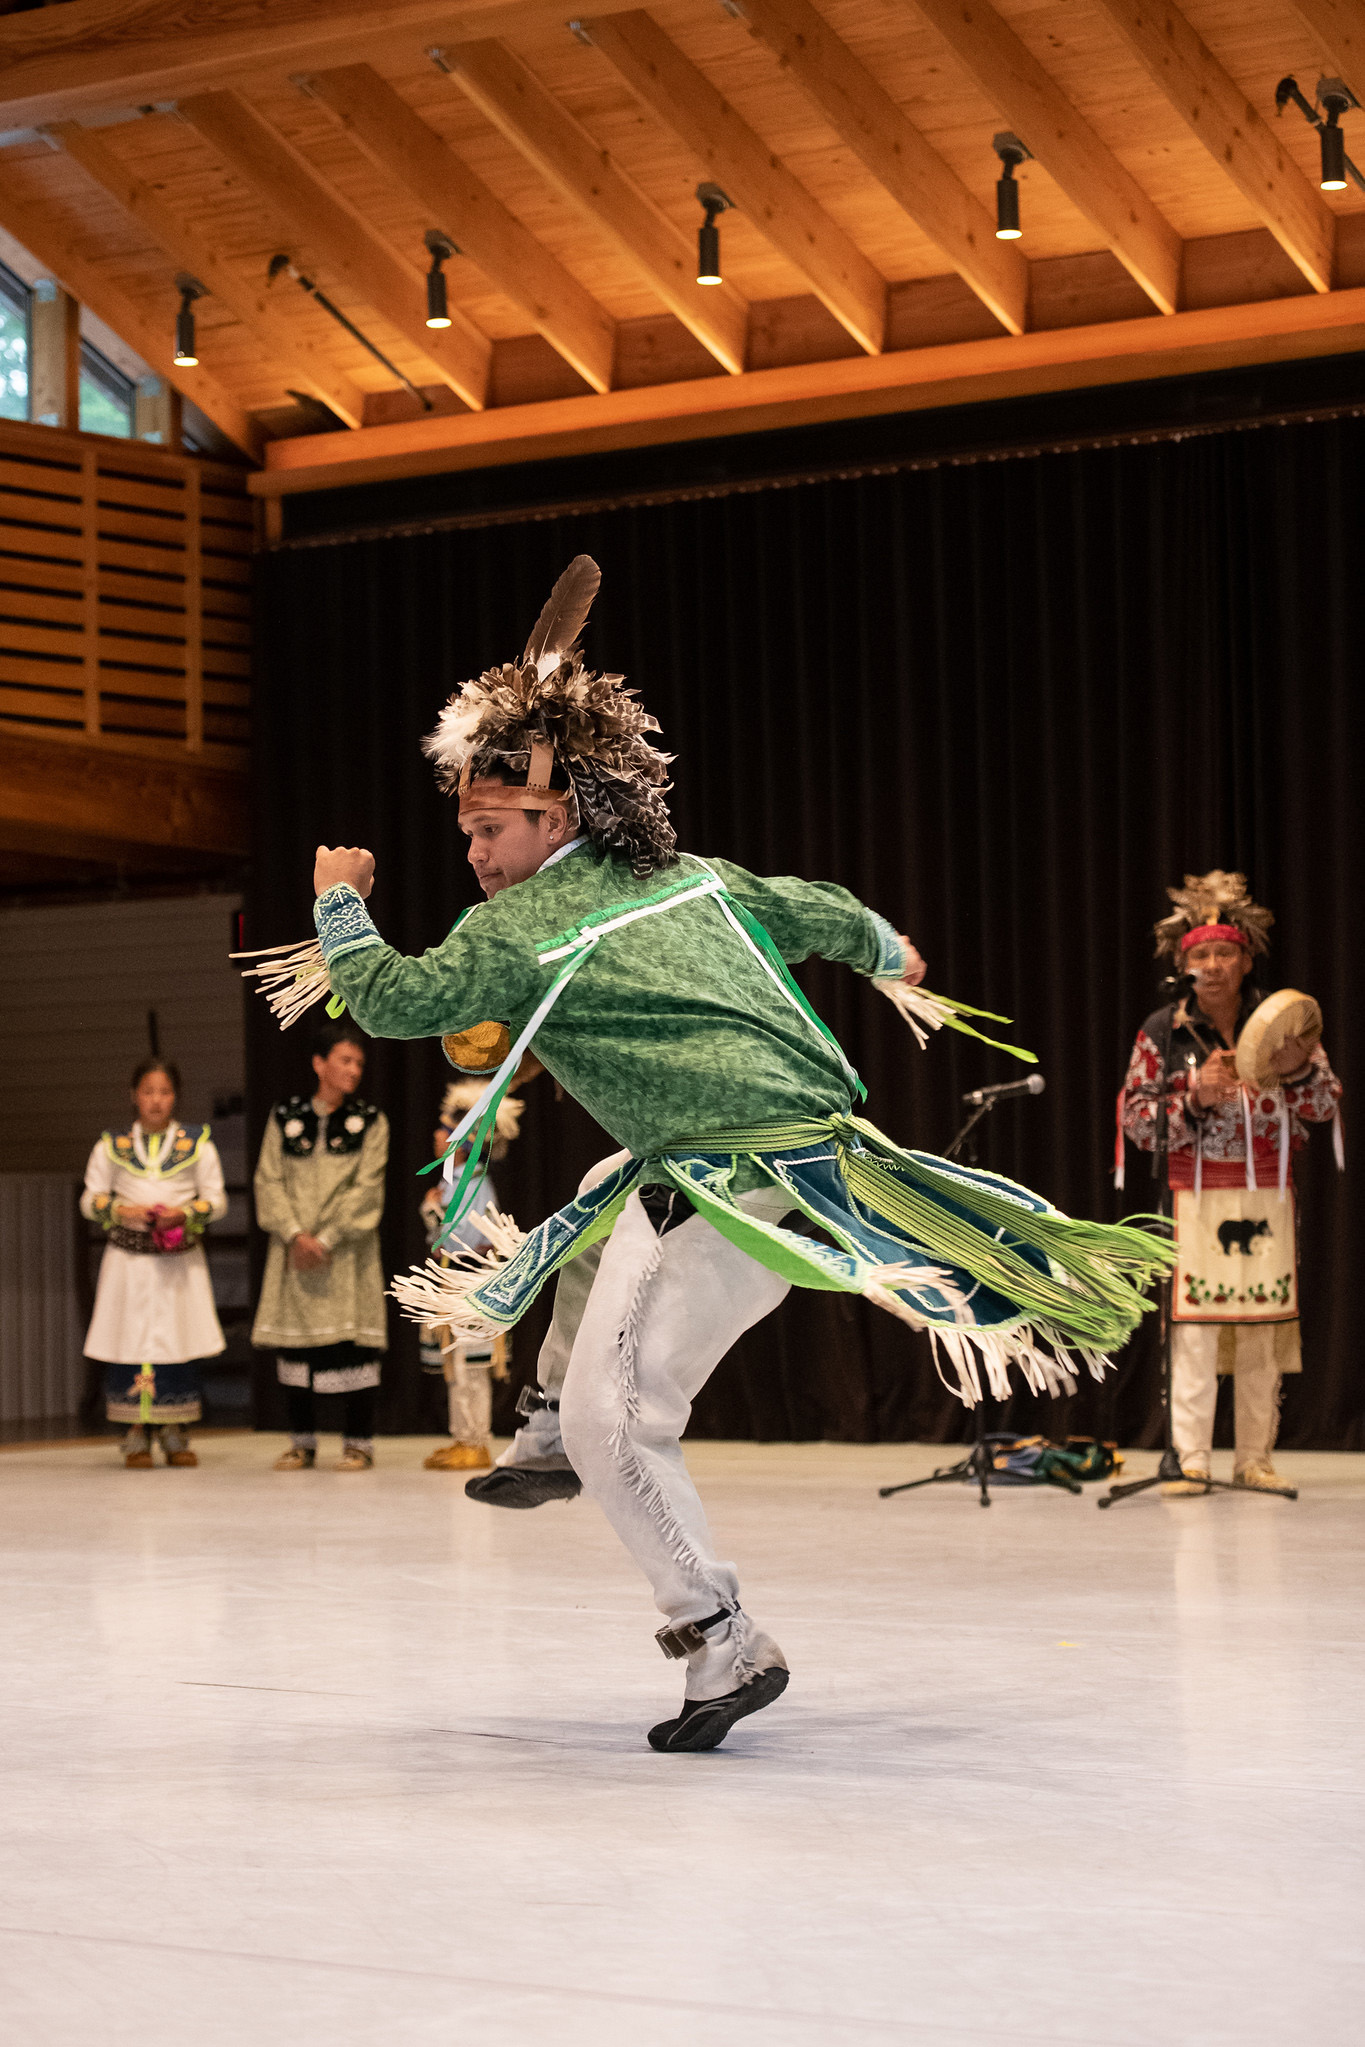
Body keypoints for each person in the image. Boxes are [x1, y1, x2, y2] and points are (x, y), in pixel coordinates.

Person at [251, 555, 1169, 1753]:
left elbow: (389, 999)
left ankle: (719, 1636)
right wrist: (890, 951)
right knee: (592, 1191)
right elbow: (818, 906)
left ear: (562, 810)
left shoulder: (515, 925)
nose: (473, 852)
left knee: (617, 1425)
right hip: (807, 1173)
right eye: (467, 830)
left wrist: (339, 903)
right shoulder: (694, 880)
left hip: (726, 1186)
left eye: (490, 826)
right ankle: (540, 1420)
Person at [1119, 871, 1342, 1495]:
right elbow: (1138, 1124)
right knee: (1192, 1331)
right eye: (1199, 955)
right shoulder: (1163, 1032)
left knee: (1261, 1331)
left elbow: (1325, 1107)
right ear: (1183, 963)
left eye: (1224, 953)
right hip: (1193, 1198)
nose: (1212, 965)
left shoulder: (1284, 1026)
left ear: (1245, 959)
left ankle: (1254, 1458)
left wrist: (1297, 1069)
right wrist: (1195, 1097)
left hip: (1269, 1197)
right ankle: (1190, 1458)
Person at [251, 1021, 389, 1472]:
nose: (354, 1070)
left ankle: (358, 1442)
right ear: (319, 1063)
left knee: (351, 1348)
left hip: (344, 1254)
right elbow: (268, 1179)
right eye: (345, 1060)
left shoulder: (371, 1121)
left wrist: (326, 1238)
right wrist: (295, 1234)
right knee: (297, 1350)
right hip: (294, 1251)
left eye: (359, 1064)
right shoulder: (285, 1116)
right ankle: (302, 1442)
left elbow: (367, 1189)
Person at [81, 1056, 227, 1468]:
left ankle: (176, 1431)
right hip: (127, 1263)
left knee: (177, 1340)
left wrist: (185, 1213)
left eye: (164, 1092)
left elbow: (216, 1200)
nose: (156, 1100)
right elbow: (90, 1199)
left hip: (177, 1263)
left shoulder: (197, 1142)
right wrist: (120, 1210)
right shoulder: (113, 1145)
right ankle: (134, 1433)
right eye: (148, 1092)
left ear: (175, 1096)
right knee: (129, 1341)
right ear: (134, 1096)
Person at [418, 1076, 525, 1471]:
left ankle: (476, 1441)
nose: (437, 1134)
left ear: (464, 1141)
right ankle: (462, 1437)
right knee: (456, 1365)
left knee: (470, 1368)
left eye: (447, 1129)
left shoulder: (474, 1182)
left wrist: (433, 1211)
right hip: (453, 1280)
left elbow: (464, 1234)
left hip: (471, 1281)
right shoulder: (454, 1181)